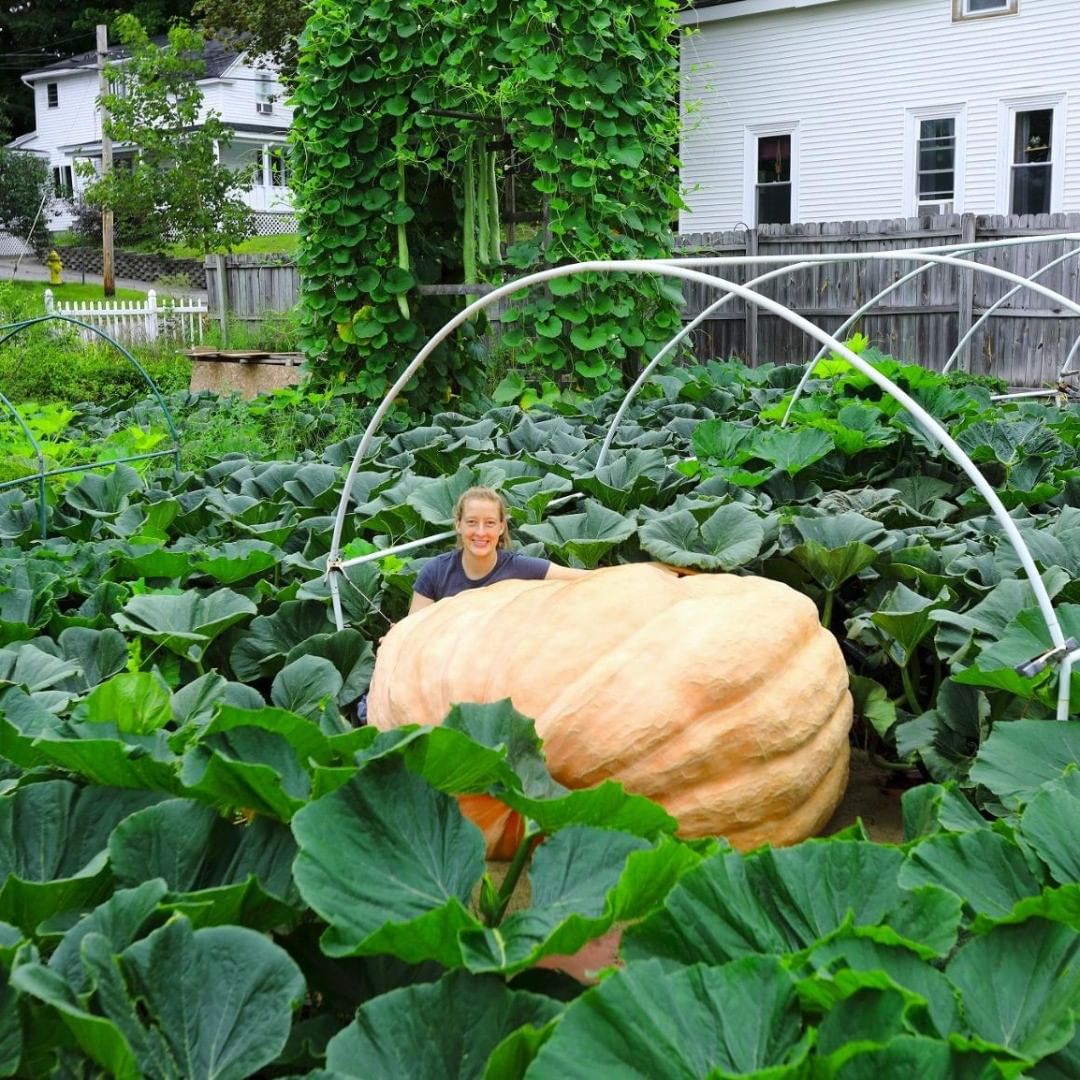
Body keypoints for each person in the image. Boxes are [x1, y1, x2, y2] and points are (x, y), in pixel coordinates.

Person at [408, 485, 588, 614]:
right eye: (471, 522)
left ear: (501, 527)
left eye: (490, 523)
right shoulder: (435, 572)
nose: (480, 532)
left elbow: (586, 579)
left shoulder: (521, 568)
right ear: (458, 525)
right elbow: (413, 631)